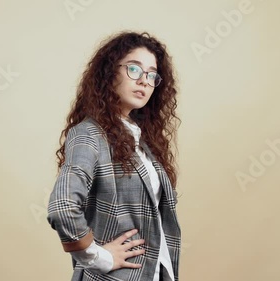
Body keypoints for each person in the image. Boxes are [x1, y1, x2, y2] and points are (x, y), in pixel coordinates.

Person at [47, 31, 181, 281]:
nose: (144, 81)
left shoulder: (142, 140)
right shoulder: (89, 134)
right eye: (134, 69)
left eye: (152, 75)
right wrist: (99, 257)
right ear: (109, 73)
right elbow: (63, 207)